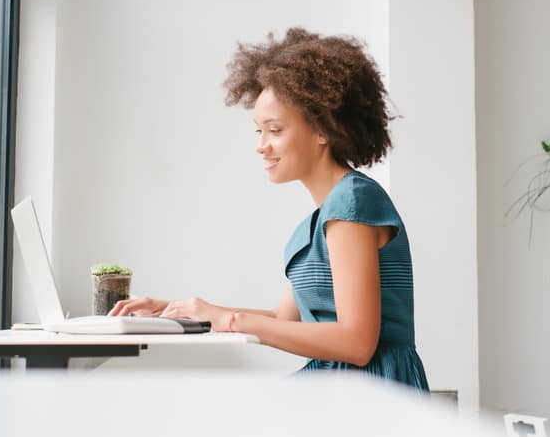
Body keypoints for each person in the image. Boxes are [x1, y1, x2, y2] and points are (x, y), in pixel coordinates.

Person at [109, 27, 428, 391]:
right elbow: (281, 318)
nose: (262, 146)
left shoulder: (352, 205)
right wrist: (179, 311)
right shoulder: (324, 218)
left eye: (274, 130)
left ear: (324, 130)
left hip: (374, 392)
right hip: (343, 386)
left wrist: (229, 318)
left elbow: (356, 343)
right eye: (258, 131)